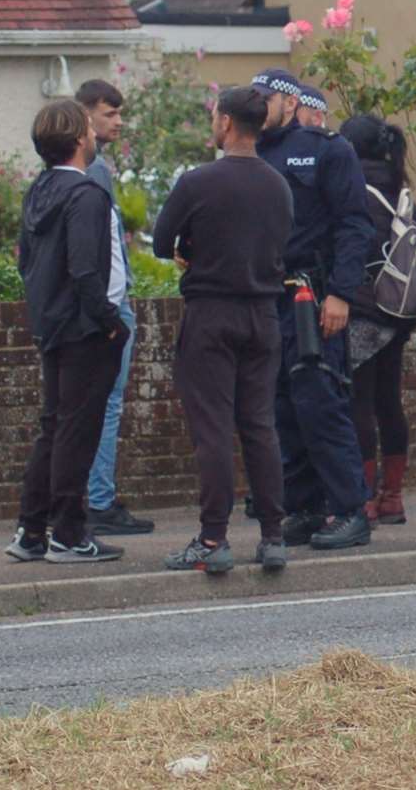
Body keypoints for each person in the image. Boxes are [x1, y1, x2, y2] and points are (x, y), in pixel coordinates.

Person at [152, 86, 295, 573]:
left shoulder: (197, 182)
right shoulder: (278, 184)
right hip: (263, 314)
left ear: (227, 122)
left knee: (213, 428)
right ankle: (273, 535)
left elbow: (159, 242)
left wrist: (189, 248)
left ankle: (213, 540)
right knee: (260, 425)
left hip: (211, 312)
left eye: (215, 116)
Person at [253, 69, 375, 550]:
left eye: (269, 97)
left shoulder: (327, 149)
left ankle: (349, 509)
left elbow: (354, 225)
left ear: (289, 102)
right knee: (282, 406)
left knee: (320, 401)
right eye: (255, 97)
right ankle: (303, 507)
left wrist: (341, 293)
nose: (261, 106)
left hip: (313, 294)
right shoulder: (252, 153)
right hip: (268, 295)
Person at [6, 99, 131, 565]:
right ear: (80, 138)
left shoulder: (40, 190)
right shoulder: (86, 195)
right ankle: (70, 532)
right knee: (78, 431)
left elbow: (27, 262)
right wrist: (109, 322)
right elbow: (86, 268)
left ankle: (32, 529)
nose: (96, 137)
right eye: (90, 130)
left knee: (54, 427)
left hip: (52, 323)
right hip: (86, 328)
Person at [73, 79, 154, 538]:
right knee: (106, 405)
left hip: (98, 305)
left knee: (91, 406)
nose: (118, 122)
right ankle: (99, 501)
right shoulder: (94, 173)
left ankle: (90, 497)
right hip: (107, 307)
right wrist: (112, 308)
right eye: (110, 113)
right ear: (86, 117)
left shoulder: (85, 168)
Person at [339, 113, 416, 525]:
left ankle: (365, 499)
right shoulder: (399, 189)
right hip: (399, 310)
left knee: (360, 404)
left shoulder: (355, 191)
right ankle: (393, 496)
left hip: (364, 310)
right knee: (390, 402)